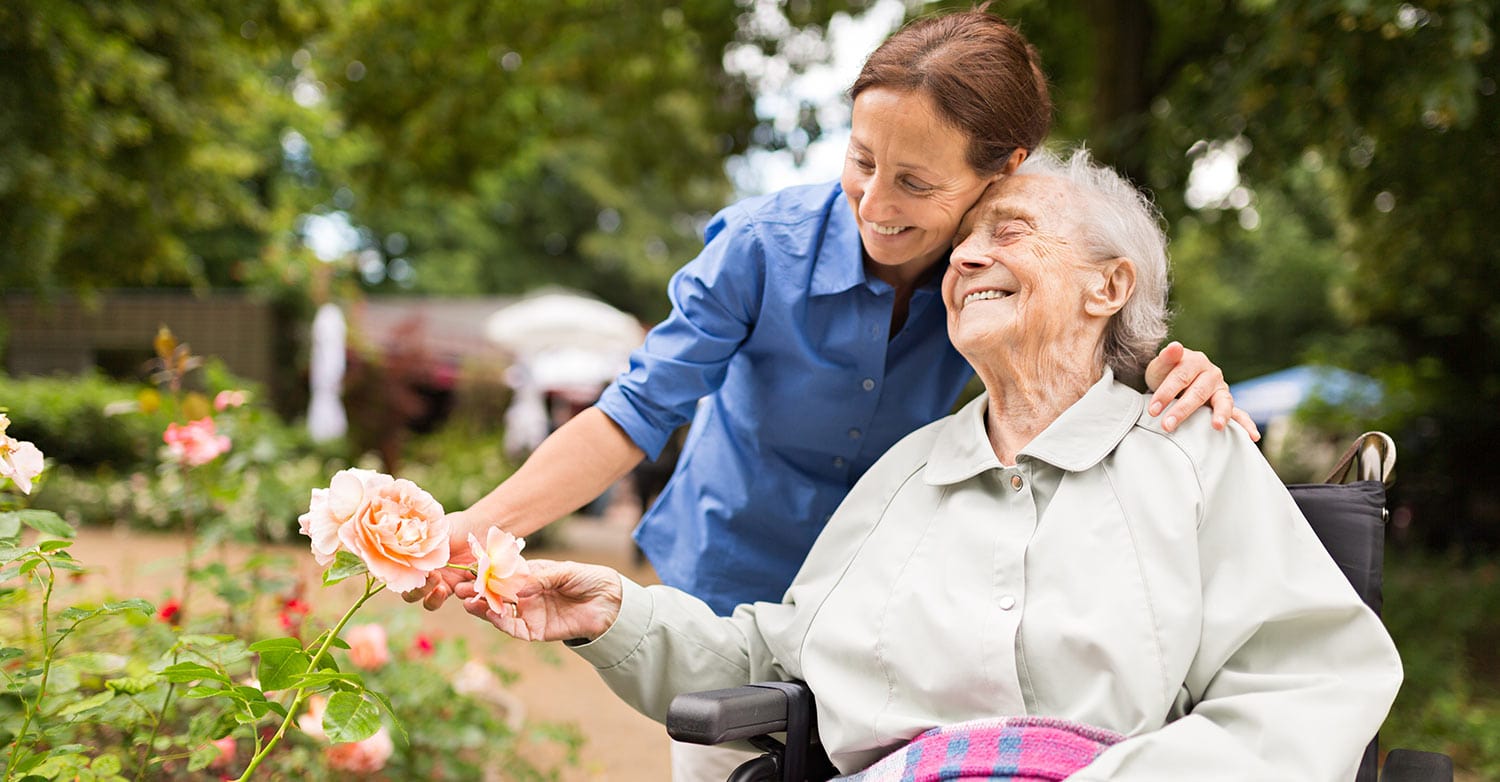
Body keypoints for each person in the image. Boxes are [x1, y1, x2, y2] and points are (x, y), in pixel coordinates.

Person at [412, 9, 1255, 777]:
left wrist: (1176, 369)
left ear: (1003, 171)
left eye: (917, 184)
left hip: (885, 606)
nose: (878, 205)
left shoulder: (993, 277)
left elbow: (1088, 336)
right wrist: (477, 526)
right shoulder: (758, 248)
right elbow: (633, 413)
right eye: (861, 161)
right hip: (730, 576)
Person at [458, 148, 1403, 781]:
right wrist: (617, 614)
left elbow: (1312, 683)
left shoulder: (1191, 456)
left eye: (1013, 232)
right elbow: (781, 661)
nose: (966, 260)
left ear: (1109, 286)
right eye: (962, 245)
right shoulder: (908, 471)